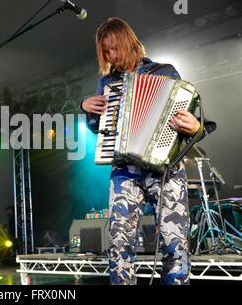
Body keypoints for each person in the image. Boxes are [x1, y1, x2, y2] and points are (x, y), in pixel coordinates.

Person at [81, 17, 210, 285]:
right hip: (125, 171)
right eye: (106, 51)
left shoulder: (166, 72)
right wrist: (87, 109)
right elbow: (98, 127)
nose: (112, 56)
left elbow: (189, 125)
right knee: (119, 243)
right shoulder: (107, 83)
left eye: (115, 48)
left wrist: (196, 126)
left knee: (175, 244)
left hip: (166, 169)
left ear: (129, 43)